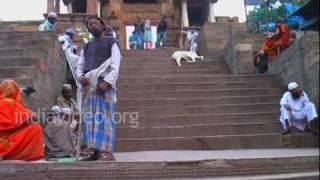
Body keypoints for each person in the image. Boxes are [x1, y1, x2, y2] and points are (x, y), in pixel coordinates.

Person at [77, 16, 121, 161]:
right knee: (90, 120)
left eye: (96, 23)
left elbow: (115, 64)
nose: (93, 26)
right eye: (90, 24)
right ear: (88, 29)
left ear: (102, 26)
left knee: (105, 118)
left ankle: (107, 152)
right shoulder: (87, 46)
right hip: (89, 86)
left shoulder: (111, 42)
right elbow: (80, 65)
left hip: (104, 84)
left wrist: (107, 83)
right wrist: (80, 78)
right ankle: (94, 152)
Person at [0, 80, 44, 161]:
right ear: (15, 91)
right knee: (36, 128)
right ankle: (21, 155)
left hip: (3, 143)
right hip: (7, 143)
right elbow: (33, 117)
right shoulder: (13, 103)